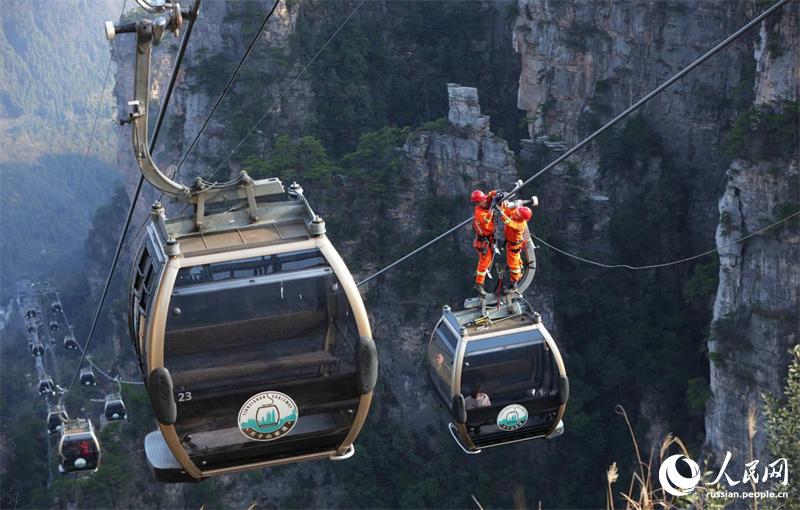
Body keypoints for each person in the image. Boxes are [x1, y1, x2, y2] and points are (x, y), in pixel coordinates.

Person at [498, 202, 533, 292]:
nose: (516, 214)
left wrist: (501, 212)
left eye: (518, 214)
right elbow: (509, 211)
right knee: (515, 263)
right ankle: (516, 277)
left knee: (514, 267)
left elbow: (508, 222)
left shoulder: (521, 225)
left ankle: (514, 286)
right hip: (511, 244)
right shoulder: (517, 214)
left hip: (513, 247)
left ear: (521, 217)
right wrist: (503, 205)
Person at [470, 189, 499, 297]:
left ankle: (478, 276)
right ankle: (479, 284)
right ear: (477, 203)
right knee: (484, 263)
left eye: (484, 199)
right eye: (482, 200)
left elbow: (490, 195)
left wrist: (496, 193)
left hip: (488, 240)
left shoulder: (484, 202)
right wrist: (492, 207)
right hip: (484, 242)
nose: (485, 201)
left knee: (485, 262)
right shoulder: (479, 213)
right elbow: (487, 219)